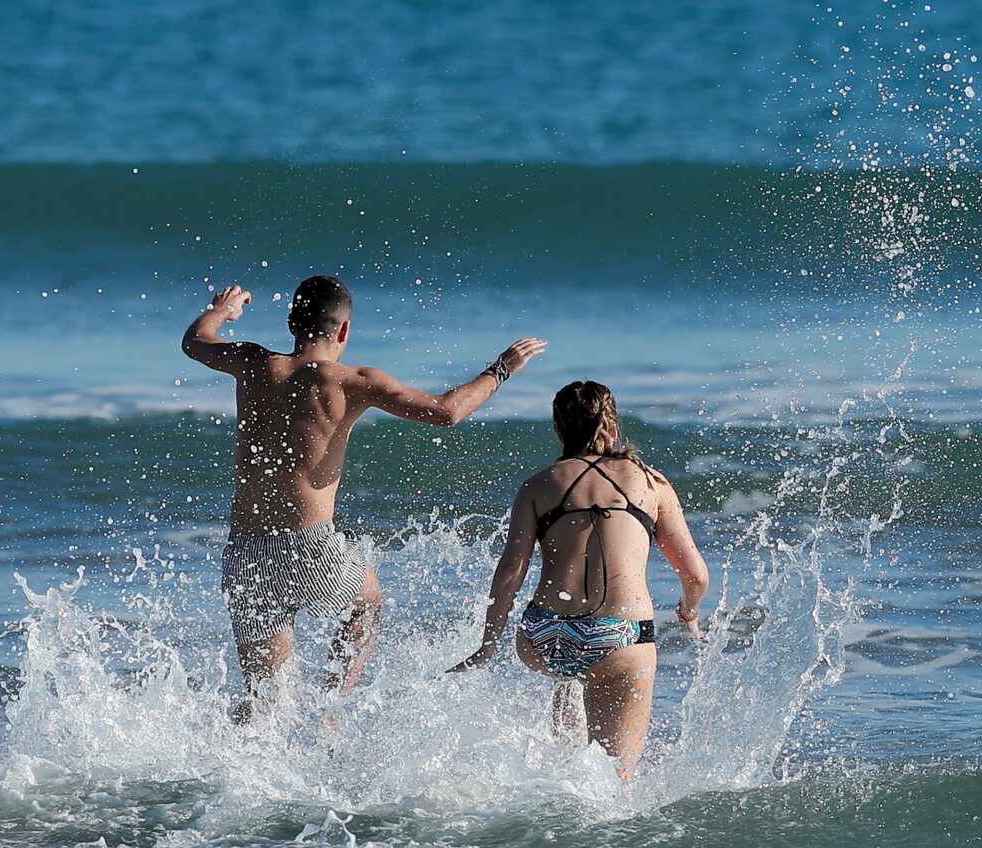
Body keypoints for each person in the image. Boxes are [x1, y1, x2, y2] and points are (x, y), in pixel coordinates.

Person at [182, 275, 546, 718]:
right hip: (309, 549)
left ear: (292, 324)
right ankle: (331, 712)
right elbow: (447, 411)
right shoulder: (350, 381)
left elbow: (195, 342)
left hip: (247, 554)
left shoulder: (253, 362)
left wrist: (224, 311)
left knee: (264, 701)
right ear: (344, 331)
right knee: (368, 603)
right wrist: (502, 368)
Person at [450, 380, 709, 779]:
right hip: (619, 636)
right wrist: (688, 611)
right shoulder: (650, 483)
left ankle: (563, 743)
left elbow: (509, 573)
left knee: (570, 673)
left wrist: (488, 645)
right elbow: (695, 575)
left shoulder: (538, 485)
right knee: (615, 782)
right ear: (613, 425)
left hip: (543, 634)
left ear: (559, 428)